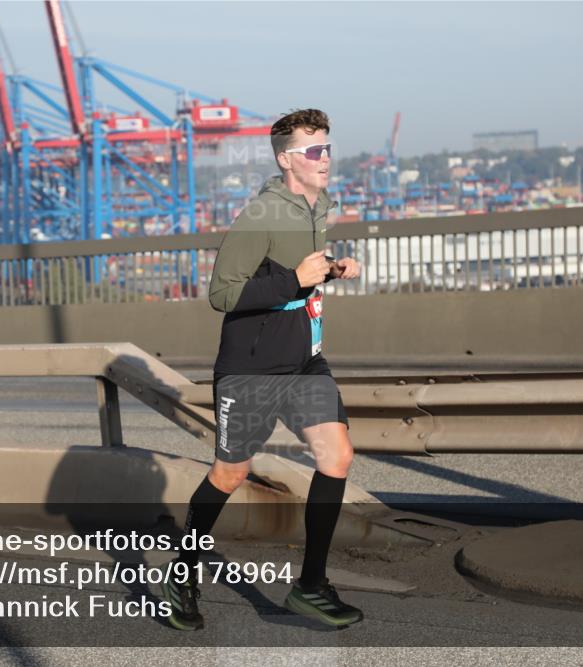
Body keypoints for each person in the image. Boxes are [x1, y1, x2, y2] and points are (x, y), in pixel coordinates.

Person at [163, 109, 364, 630]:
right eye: (314, 151)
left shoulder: (319, 207)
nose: (326, 159)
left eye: (327, 147)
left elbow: (301, 277)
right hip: (252, 367)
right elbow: (221, 294)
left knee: (337, 455)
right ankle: (183, 572)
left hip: (304, 361)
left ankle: (311, 586)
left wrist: (332, 270)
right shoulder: (260, 217)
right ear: (286, 159)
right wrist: (296, 279)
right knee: (230, 474)